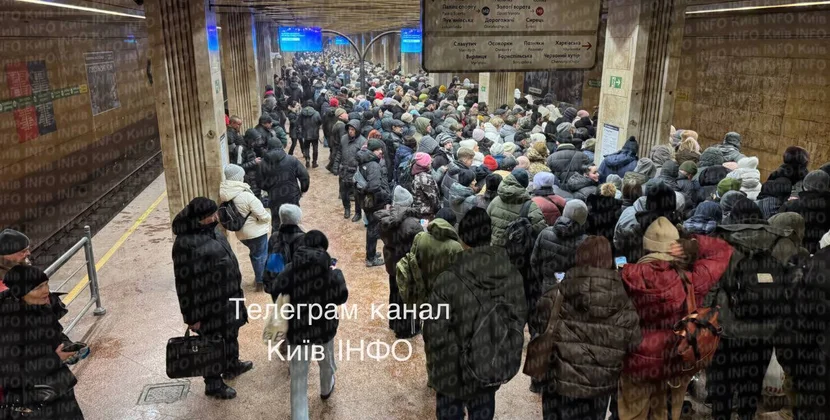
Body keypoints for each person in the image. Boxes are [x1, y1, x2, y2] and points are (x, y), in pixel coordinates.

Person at [618, 218, 732, 420]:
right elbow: (723, 250)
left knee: (631, 415)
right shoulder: (693, 278)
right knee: (666, 414)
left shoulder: (628, 275)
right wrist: (693, 244)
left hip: (635, 362)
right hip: (676, 360)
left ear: (646, 246)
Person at [424, 208, 528, 420]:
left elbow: (434, 332)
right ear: (489, 235)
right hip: (488, 365)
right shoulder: (512, 275)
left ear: (462, 238)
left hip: (452, 372)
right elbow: (518, 318)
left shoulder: (447, 280)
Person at [706, 200, 803, 420]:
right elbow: (793, 287)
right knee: (752, 381)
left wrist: (706, 316)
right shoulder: (783, 241)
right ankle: (746, 415)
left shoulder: (720, 240)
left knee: (723, 381)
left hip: (728, 328)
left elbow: (710, 285)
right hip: (765, 329)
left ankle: (721, 415)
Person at [529, 236, 641, 420]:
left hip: (559, 384)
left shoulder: (557, 293)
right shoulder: (624, 302)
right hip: (599, 388)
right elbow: (634, 342)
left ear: (579, 257)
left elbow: (538, 323)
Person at [171, 197, 251, 399]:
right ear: (200, 218)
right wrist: (192, 318)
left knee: (231, 333)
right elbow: (184, 285)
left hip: (229, 298)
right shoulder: (184, 245)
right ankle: (213, 384)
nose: (216, 216)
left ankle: (232, 365)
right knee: (211, 344)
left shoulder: (211, 230)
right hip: (209, 307)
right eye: (212, 215)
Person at [268, 230, 348, 420]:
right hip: (324, 328)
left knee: (298, 376)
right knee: (327, 363)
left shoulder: (290, 269)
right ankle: (326, 389)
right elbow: (341, 297)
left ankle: (300, 416)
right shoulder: (330, 272)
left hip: (298, 330)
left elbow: (275, 291)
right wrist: (335, 274)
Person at [0, 266, 85, 419]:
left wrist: (67, 347)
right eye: (38, 287)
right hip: (35, 403)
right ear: (21, 292)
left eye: (46, 284)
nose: (46, 290)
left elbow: (56, 335)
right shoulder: (8, 326)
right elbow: (10, 374)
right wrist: (55, 359)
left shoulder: (41, 307)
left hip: (60, 390)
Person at [377, 186, 424, 338]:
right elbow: (420, 244)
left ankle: (394, 322)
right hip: (406, 264)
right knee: (408, 296)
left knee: (394, 293)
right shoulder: (411, 224)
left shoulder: (385, 218)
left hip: (391, 262)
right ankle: (407, 329)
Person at [220, 165, 271, 290]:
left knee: (255, 254)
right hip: (256, 232)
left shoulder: (226, 193)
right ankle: (261, 282)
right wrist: (267, 218)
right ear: (237, 177)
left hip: (241, 233)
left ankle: (258, 278)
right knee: (260, 255)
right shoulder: (245, 195)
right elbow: (262, 215)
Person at [530, 200, 590, 309]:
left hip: (548, 290)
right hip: (574, 296)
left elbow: (534, 261)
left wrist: (544, 280)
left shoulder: (545, 233)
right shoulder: (587, 243)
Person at [259, 137, 310, 231]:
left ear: (268, 148)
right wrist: (303, 190)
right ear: (281, 146)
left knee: (276, 223)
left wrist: (269, 190)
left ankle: (277, 238)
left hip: (274, 198)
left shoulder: (262, 163)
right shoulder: (292, 160)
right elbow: (305, 176)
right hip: (292, 196)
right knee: (293, 220)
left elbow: (260, 183)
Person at [487, 172, 547, 247]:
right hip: (517, 251)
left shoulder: (495, 200)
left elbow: (486, 223)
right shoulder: (531, 206)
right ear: (525, 184)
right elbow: (541, 229)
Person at [358, 139, 391, 267]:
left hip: (366, 200)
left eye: (380, 149)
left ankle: (371, 253)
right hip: (374, 202)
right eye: (377, 149)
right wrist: (386, 196)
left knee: (371, 228)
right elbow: (374, 186)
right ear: (371, 151)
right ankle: (370, 258)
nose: (381, 151)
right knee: (373, 229)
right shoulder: (374, 165)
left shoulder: (363, 161)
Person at [780, 170, 830, 254]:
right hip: (824, 255)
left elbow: (778, 229)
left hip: (794, 254)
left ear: (804, 186)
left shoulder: (790, 206)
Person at [340, 120, 367, 221]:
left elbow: (364, 158)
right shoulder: (343, 138)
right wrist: (336, 165)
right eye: (349, 129)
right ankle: (347, 209)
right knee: (343, 193)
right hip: (344, 170)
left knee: (357, 195)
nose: (350, 131)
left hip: (356, 172)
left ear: (357, 130)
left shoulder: (363, 141)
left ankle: (357, 213)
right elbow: (339, 152)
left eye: (352, 129)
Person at [411, 152, 441, 219]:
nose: (431, 163)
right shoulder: (425, 178)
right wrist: (438, 210)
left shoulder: (415, 171)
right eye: (429, 162)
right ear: (425, 164)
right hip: (426, 212)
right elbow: (433, 198)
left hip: (418, 208)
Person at [299, 100, 323, 168]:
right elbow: (320, 122)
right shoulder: (316, 113)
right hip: (315, 134)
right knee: (315, 148)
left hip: (305, 134)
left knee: (306, 147)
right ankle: (314, 163)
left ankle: (307, 159)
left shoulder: (302, 113)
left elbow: (299, 123)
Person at [327, 108, 348, 174]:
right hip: (338, 145)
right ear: (340, 116)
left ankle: (330, 167)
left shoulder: (338, 123)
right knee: (336, 157)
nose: (347, 114)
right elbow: (343, 138)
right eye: (345, 113)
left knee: (334, 156)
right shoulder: (341, 125)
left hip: (335, 144)